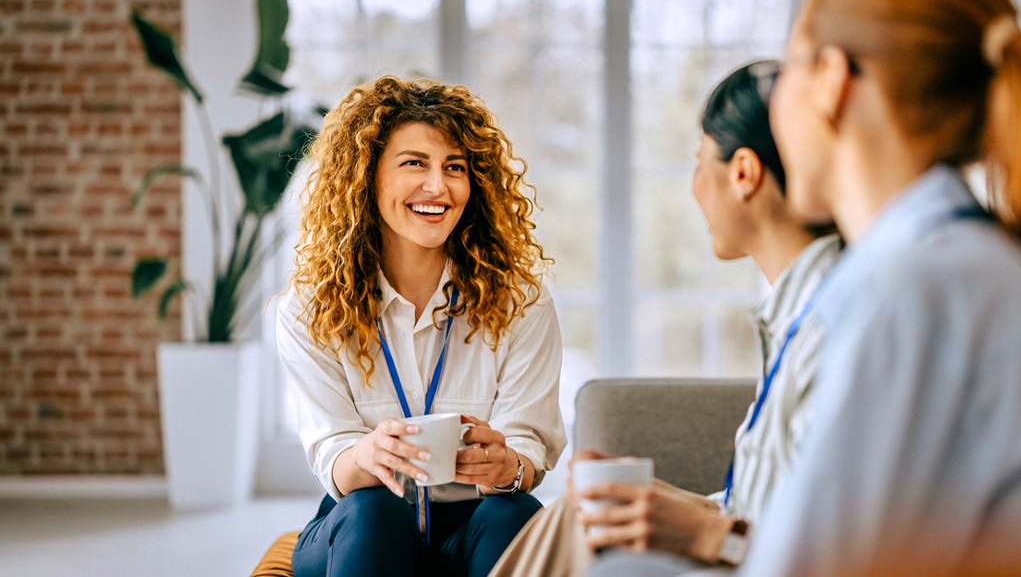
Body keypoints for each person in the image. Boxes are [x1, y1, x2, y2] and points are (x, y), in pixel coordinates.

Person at [734, 0, 1021, 575]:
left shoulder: (912, 292)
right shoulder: (963, 267)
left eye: (786, 70)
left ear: (831, 80)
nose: (776, 103)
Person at [488, 61, 843, 576]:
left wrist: (706, 530)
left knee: (591, 537)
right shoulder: (792, 308)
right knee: (580, 511)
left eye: (701, 163)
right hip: (748, 533)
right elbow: (769, 494)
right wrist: (654, 499)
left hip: (762, 558)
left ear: (743, 174)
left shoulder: (834, 319)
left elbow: (840, 535)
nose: (695, 186)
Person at [276, 75, 567, 577]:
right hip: (362, 524)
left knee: (514, 513)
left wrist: (507, 467)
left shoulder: (522, 303)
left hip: (472, 527)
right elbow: (333, 460)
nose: (438, 187)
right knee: (373, 513)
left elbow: (528, 452)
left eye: (454, 167)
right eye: (415, 163)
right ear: (367, 176)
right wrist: (367, 454)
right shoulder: (309, 309)